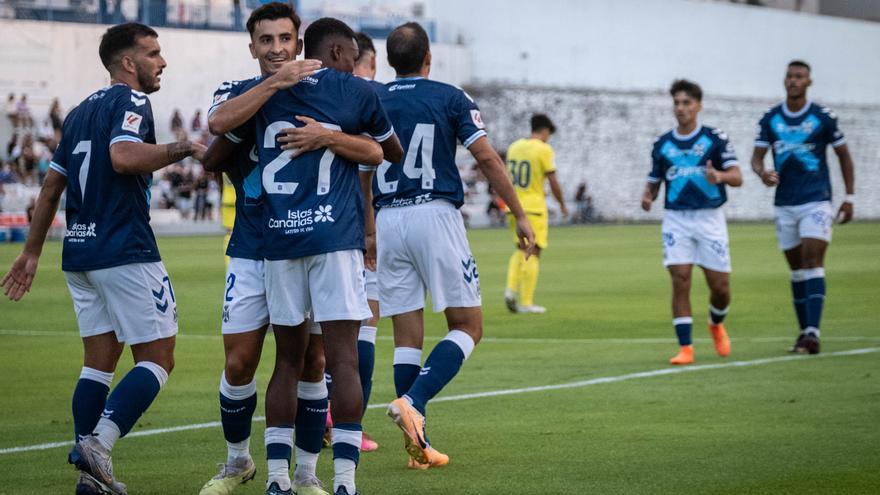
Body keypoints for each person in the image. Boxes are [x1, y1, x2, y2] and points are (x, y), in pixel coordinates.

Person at [0, 22, 206, 494]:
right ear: (128, 64)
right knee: (158, 358)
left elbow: (52, 185)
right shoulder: (132, 100)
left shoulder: (76, 113)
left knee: (98, 362)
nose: (163, 61)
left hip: (81, 252)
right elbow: (123, 157)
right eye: (153, 53)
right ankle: (101, 444)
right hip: (125, 249)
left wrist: (31, 253)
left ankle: (91, 479)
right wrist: (186, 148)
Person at [210, 8, 403, 495]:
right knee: (297, 360)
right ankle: (283, 474)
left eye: (284, 39)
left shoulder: (339, 91)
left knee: (308, 361)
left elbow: (382, 153)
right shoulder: (261, 94)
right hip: (282, 244)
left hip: (293, 241)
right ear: (252, 46)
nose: (276, 47)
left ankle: (303, 477)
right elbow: (216, 133)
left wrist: (329, 137)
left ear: (299, 44)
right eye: (266, 39)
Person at [372, 22, 535, 468]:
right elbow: (485, 155)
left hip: (386, 219)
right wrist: (518, 213)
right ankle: (415, 403)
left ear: (390, 61)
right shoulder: (449, 96)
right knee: (468, 326)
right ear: (429, 59)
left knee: (407, 336)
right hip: (434, 214)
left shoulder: (373, 98)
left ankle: (417, 445)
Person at [750, 60, 855, 355]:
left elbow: (844, 156)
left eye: (800, 77)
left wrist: (850, 197)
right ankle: (803, 333)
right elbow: (756, 157)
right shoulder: (770, 119)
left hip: (816, 199)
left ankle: (813, 332)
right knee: (796, 268)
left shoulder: (822, 118)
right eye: (790, 76)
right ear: (784, 81)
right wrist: (762, 173)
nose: (794, 81)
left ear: (809, 82)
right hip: (785, 202)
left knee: (813, 259)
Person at [641, 79, 741, 365]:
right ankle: (685, 348)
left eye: (687, 102)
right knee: (680, 279)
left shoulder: (715, 139)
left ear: (698, 105)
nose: (681, 108)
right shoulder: (662, 144)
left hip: (709, 218)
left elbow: (737, 176)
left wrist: (719, 177)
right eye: (677, 103)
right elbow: (653, 182)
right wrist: (647, 197)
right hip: (677, 219)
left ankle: (715, 324)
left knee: (720, 287)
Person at [503, 113, 568, 314]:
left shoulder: (514, 147)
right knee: (534, 250)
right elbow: (553, 180)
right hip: (533, 207)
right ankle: (527, 302)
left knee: (520, 248)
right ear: (545, 130)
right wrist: (562, 204)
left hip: (513, 206)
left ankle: (510, 290)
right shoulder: (543, 149)